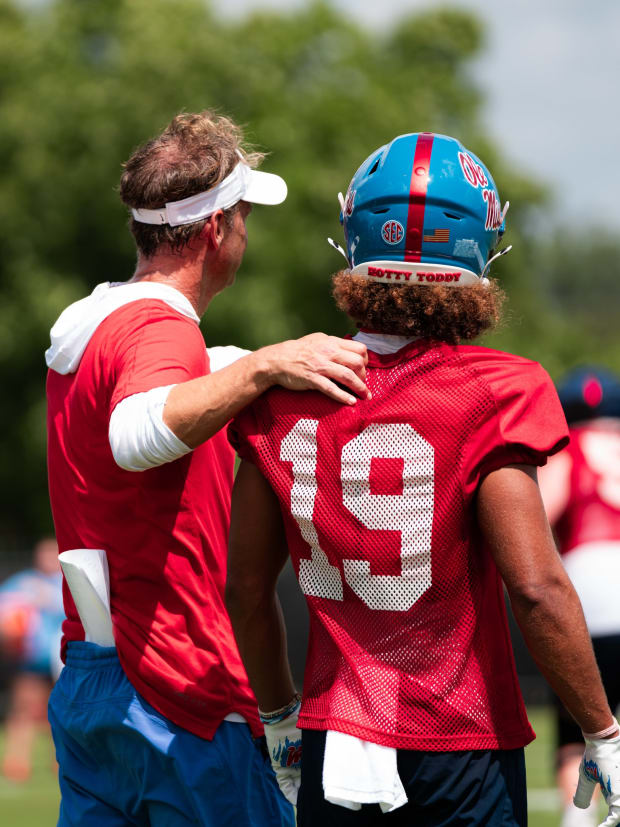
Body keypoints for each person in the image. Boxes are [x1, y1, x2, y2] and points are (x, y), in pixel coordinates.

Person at [226, 132, 620, 827]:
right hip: (460, 742)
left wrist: (279, 715)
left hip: (331, 732)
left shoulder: (281, 390)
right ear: (479, 245)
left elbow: (249, 588)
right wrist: (602, 728)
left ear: (353, 234)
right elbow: (535, 586)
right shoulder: (496, 388)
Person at [45, 110, 369, 826]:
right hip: (177, 682)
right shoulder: (160, 327)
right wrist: (260, 366)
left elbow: (151, 399)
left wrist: (245, 365)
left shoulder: (96, 320)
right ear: (216, 229)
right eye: (244, 213)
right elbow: (135, 431)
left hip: (94, 678)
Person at [538, 366, 620, 827]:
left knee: (579, 736)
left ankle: (578, 821)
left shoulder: (570, 451)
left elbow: (543, 514)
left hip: (592, 600)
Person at [0, 537, 63, 782]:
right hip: (32, 661)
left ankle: (60, 761)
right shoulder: (23, 583)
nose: (48, 559)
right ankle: (17, 763)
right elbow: (6, 610)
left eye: (53, 554)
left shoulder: (70, 582)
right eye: (44, 553)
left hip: (64, 661)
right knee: (23, 711)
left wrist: (48, 599)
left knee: (60, 714)